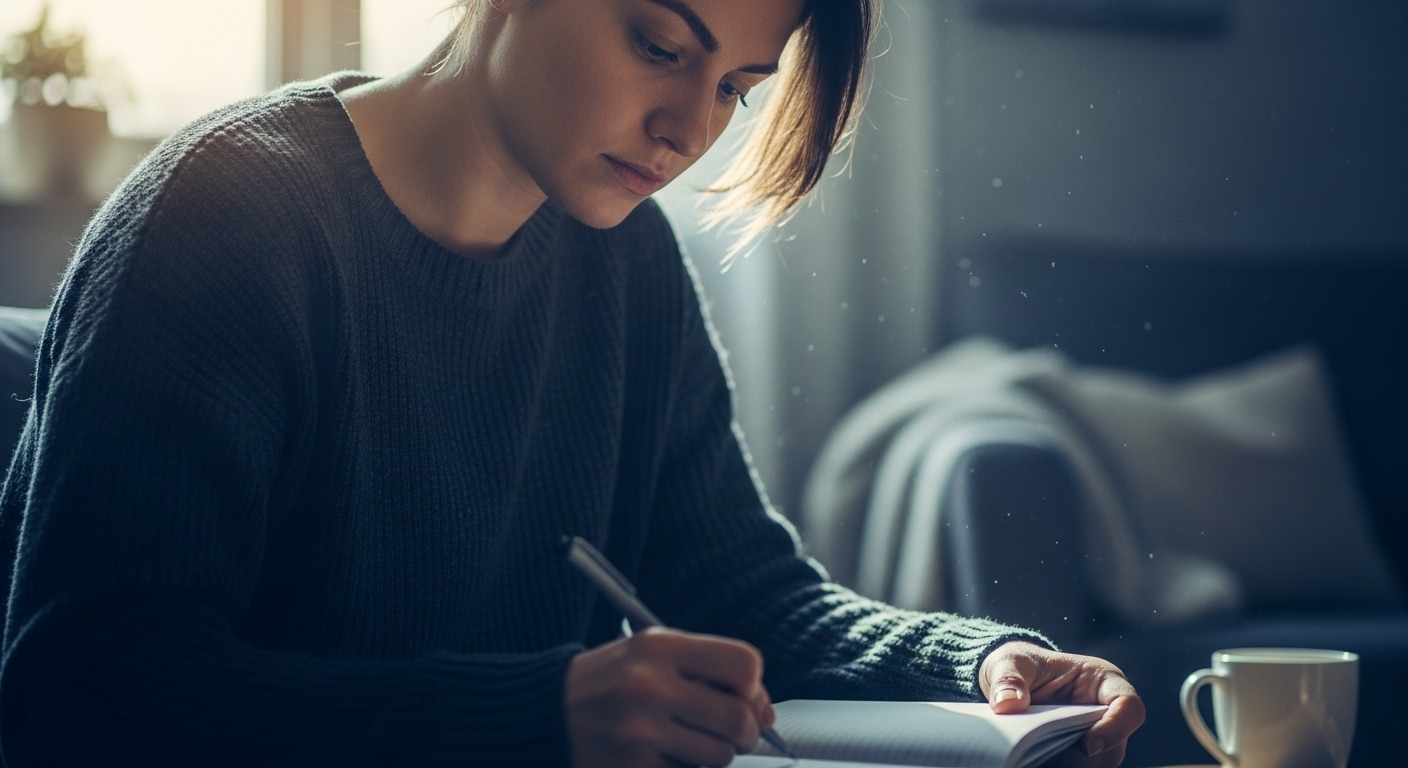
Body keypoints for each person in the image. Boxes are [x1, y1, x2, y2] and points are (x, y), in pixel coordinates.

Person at [0, 0, 1144, 765]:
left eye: (737, 86)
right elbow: (86, 690)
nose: (689, 129)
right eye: (658, 45)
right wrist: (532, 715)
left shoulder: (623, 253)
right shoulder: (226, 220)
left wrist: (980, 665)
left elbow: (740, 594)